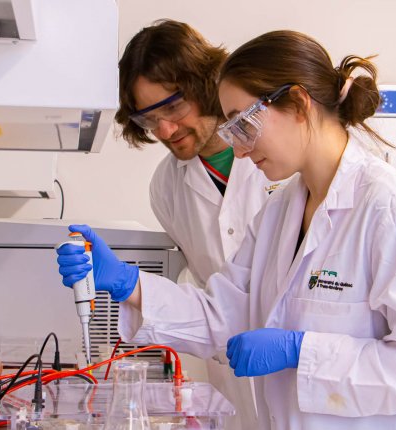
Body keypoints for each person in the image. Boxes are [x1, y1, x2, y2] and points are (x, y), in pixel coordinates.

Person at [57, 30, 396, 429]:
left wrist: (301, 352)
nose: (238, 148)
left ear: (296, 103)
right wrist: (129, 284)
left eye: (243, 123)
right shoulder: (280, 212)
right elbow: (226, 315)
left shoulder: (387, 207)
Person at [111, 20, 286, 430]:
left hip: (307, 370)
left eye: (172, 107)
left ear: (206, 84)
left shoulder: (281, 158)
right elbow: (212, 293)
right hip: (233, 373)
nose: (165, 131)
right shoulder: (166, 187)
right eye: (148, 120)